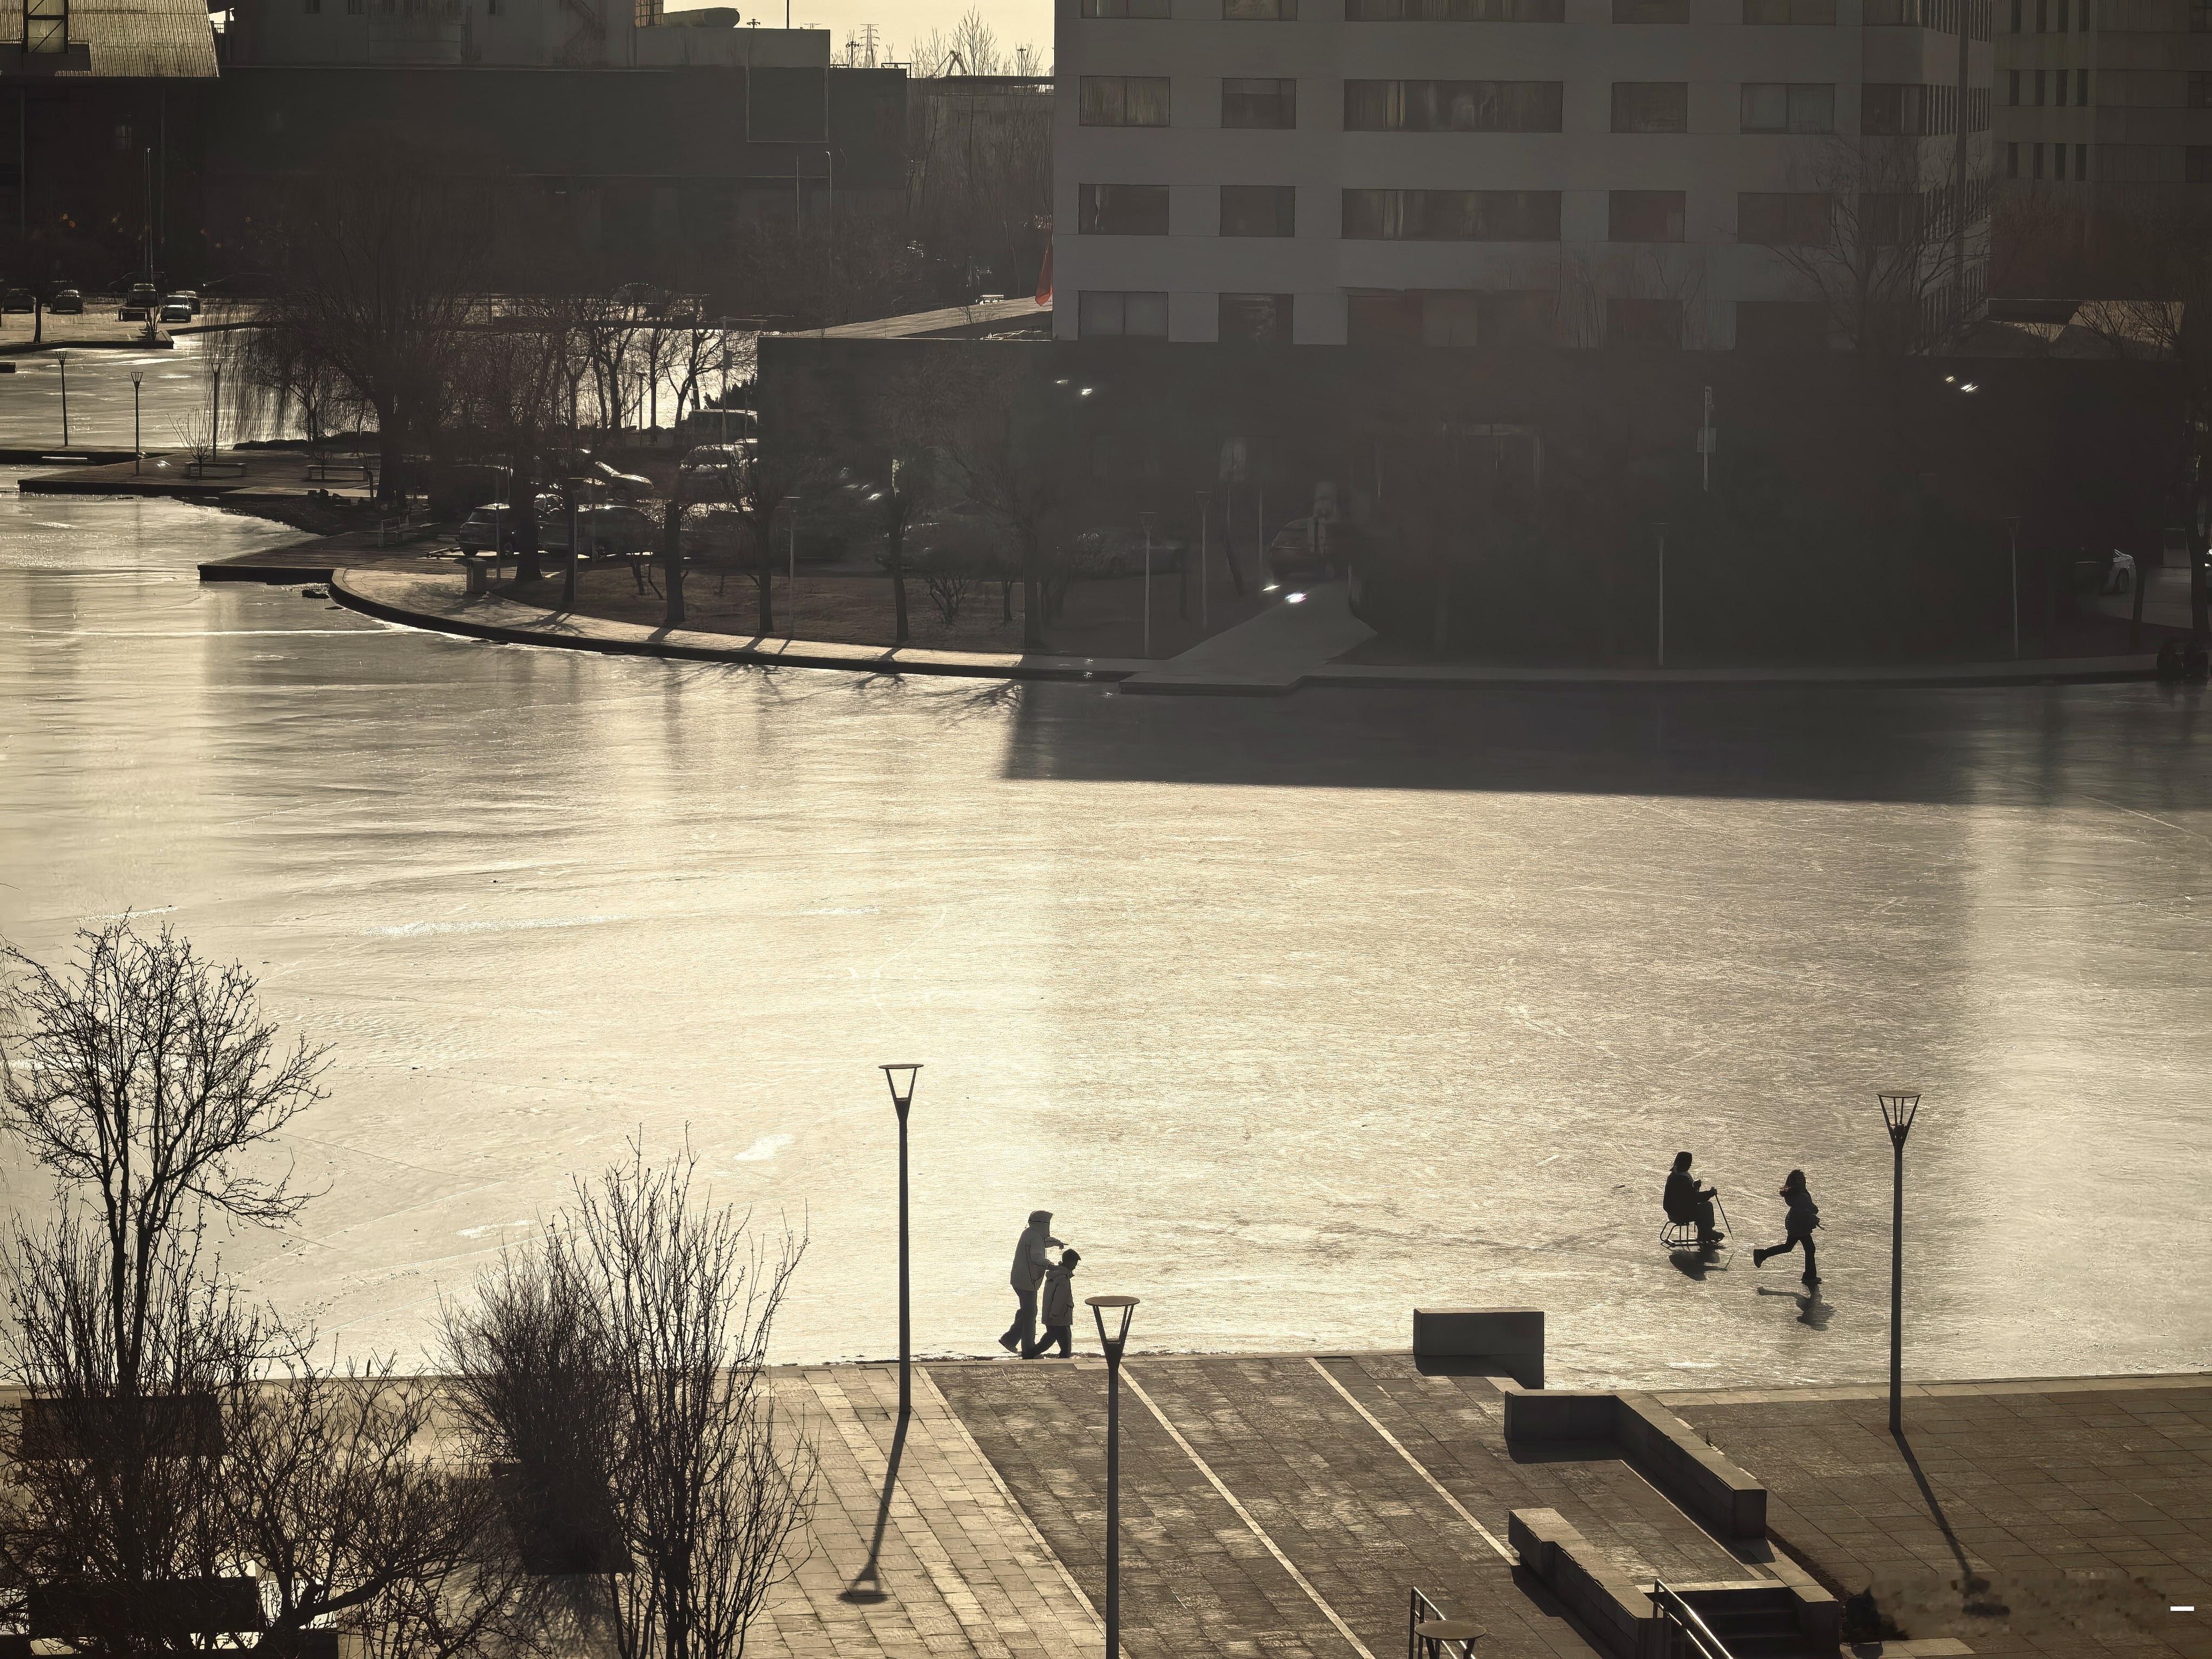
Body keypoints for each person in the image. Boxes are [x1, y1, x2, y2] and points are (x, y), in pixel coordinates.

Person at [1000, 1209, 1061, 1354]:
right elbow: (1037, 1257)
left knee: (1027, 1311)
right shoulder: (1035, 1236)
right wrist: (1050, 1264)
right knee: (1030, 1314)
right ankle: (1027, 1347)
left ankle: (1010, 1339)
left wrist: (1054, 1242)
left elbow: (1041, 1243)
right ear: (1043, 1224)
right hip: (1027, 1282)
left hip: (1019, 1280)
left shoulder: (1029, 1233)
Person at [1752, 1169, 1820, 1284]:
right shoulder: (1800, 1194)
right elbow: (1811, 1208)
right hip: (1799, 1225)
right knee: (1809, 1248)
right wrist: (1814, 1217)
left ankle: (1762, 1254)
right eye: (1801, 1179)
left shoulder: (1796, 1192)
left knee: (1788, 1247)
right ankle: (1809, 1276)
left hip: (1795, 1223)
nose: (1803, 1181)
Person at [1025, 1247, 1080, 1358]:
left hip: (1052, 1317)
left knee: (1049, 1339)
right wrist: (1055, 1315)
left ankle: (1029, 1354)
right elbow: (1059, 1299)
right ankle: (1030, 1354)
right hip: (1060, 1318)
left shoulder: (1054, 1276)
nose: (1075, 1266)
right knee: (1065, 1348)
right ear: (1069, 1262)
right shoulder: (1063, 1278)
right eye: (1075, 1263)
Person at [1663, 1152, 1724, 1246]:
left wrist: (1694, 1187)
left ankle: (1705, 1232)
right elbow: (1694, 1198)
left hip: (1673, 1213)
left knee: (1703, 1207)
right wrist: (1710, 1193)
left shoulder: (1674, 1176)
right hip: (1680, 1214)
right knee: (1706, 1207)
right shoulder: (1682, 1179)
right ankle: (1706, 1233)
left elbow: (1685, 1196)